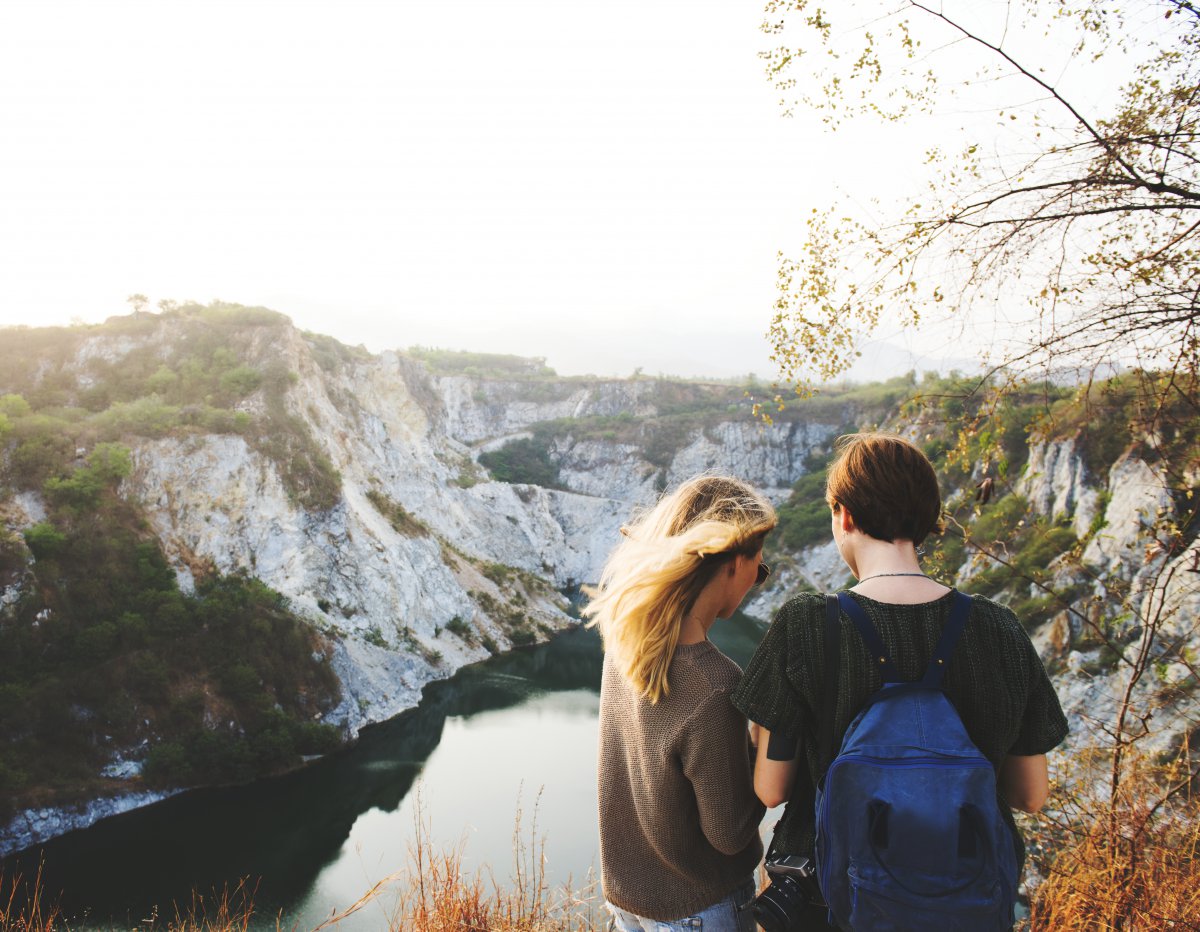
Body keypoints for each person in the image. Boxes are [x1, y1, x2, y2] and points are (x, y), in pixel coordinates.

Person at [732, 432, 1069, 930]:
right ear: (929, 521)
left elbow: (770, 790)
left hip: (834, 902)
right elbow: (1031, 795)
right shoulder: (1000, 629)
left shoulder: (806, 624)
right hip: (965, 900)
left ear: (843, 516)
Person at [584, 475, 777, 932]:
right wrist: (759, 742)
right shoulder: (714, 686)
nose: (759, 579)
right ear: (733, 562)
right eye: (760, 565)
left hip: (629, 903)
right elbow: (728, 835)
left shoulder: (626, 643)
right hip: (699, 909)